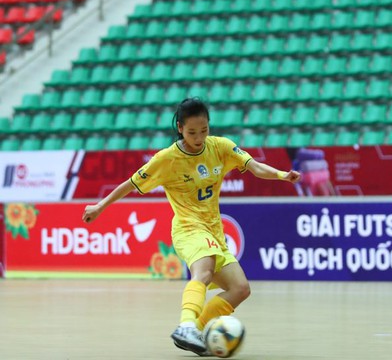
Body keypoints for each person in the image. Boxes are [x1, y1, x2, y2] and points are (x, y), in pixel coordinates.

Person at [82, 98, 301, 355]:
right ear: (180, 128)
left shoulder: (221, 147)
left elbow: (254, 166)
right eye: (192, 132)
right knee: (204, 268)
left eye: (204, 130)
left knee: (240, 289)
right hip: (188, 228)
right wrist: (99, 206)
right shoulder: (167, 159)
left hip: (214, 232)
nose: (199, 137)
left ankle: (194, 330)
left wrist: (281, 175)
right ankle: (186, 325)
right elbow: (130, 184)